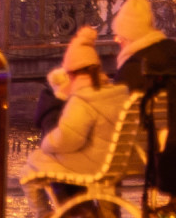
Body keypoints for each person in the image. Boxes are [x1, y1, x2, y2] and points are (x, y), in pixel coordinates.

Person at [26, 27, 135, 212]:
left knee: (31, 167)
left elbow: (66, 139)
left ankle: (49, 214)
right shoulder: (118, 93)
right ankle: (98, 212)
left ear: (71, 74)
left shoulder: (82, 99)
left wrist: (47, 143)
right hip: (116, 163)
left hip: (93, 166)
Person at [112, 0, 176, 90]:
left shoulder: (130, 70)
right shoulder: (173, 49)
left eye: (120, 37)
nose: (117, 41)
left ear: (130, 37)